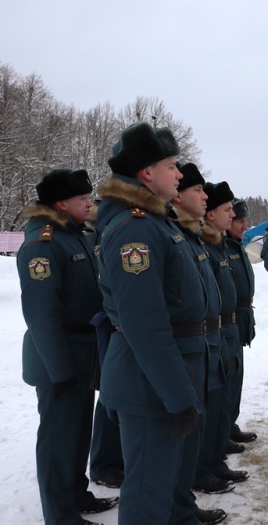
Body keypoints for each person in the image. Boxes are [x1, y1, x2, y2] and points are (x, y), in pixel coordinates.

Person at [94, 122, 209, 524]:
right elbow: (145, 324)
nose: (180, 174)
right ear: (147, 172)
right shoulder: (136, 229)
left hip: (163, 376)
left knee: (160, 490)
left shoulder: (154, 221)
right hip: (150, 385)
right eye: (172, 165)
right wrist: (178, 397)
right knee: (147, 497)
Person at [18, 169, 119, 525]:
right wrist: (59, 370)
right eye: (83, 199)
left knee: (78, 433)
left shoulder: (74, 236)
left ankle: (76, 494)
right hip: (58, 357)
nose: (90, 204)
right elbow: (42, 316)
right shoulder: (42, 244)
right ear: (62, 204)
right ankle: (60, 515)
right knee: (58, 438)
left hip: (83, 351)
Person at [170, 163, 229, 524]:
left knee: (195, 431)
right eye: (198, 191)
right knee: (172, 444)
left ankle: (182, 505)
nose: (205, 198)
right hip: (182, 348)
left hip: (203, 342)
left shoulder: (188, 235)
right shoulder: (163, 233)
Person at [198, 181, 250, 485]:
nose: (232, 217)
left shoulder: (217, 243)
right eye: (228, 211)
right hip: (213, 331)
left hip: (228, 327)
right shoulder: (206, 245)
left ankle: (214, 459)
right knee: (214, 401)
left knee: (225, 396)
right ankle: (205, 466)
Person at [225, 198, 258, 447]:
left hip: (241, 319)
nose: (245, 226)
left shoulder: (236, 245)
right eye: (239, 220)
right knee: (226, 380)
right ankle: (221, 429)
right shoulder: (222, 247)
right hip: (228, 320)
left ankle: (228, 424)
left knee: (236, 379)